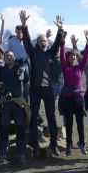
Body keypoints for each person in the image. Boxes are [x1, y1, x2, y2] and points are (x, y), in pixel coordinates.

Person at [20, 10, 63, 157]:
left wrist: (59, 30)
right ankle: (35, 146)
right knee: (33, 117)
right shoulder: (33, 53)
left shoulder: (50, 53)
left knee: (51, 117)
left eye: (45, 41)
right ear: (38, 43)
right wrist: (24, 25)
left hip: (48, 89)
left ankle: (54, 145)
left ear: (47, 43)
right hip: (35, 89)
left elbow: (57, 44)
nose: (43, 42)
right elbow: (26, 42)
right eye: (41, 41)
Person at [0, 51, 29, 165]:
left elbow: (26, 79)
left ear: (14, 58)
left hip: (18, 102)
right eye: (7, 56)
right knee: (3, 129)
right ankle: (3, 154)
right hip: (5, 102)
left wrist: (24, 70)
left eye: (11, 56)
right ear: (4, 58)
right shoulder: (1, 70)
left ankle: (21, 154)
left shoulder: (20, 68)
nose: (9, 58)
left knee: (21, 128)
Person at [59, 31, 88, 156]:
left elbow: (86, 57)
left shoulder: (80, 67)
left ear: (77, 58)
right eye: (71, 56)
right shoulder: (65, 67)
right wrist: (62, 43)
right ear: (68, 58)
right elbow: (61, 55)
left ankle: (82, 143)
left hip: (78, 98)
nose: (72, 57)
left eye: (75, 56)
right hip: (67, 98)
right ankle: (69, 145)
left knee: (80, 123)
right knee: (69, 123)